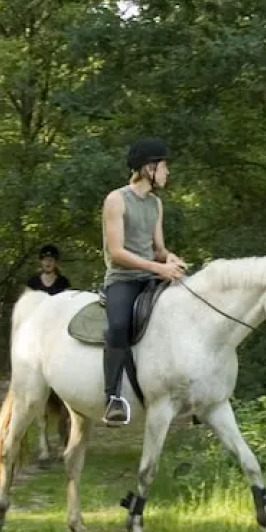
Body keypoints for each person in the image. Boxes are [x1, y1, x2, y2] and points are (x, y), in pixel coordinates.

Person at [100, 138, 187, 425]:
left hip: (151, 276)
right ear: (150, 168)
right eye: (164, 166)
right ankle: (112, 397)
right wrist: (157, 268)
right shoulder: (116, 199)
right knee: (118, 326)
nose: (167, 173)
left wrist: (170, 259)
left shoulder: (156, 204)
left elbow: (158, 248)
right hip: (123, 279)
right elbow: (117, 253)